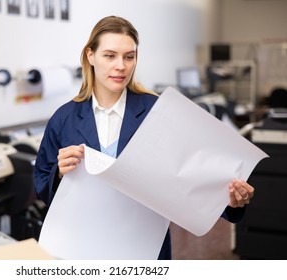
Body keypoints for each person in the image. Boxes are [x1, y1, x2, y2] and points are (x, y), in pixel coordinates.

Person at [33, 15, 254, 259]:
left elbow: (191, 173)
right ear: (90, 55)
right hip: (84, 246)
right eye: (110, 55)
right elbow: (42, 181)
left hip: (145, 249)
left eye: (129, 56)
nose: (121, 66)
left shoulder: (158, 112)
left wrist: (229, 201)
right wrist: (60, 172)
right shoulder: (64, 118)